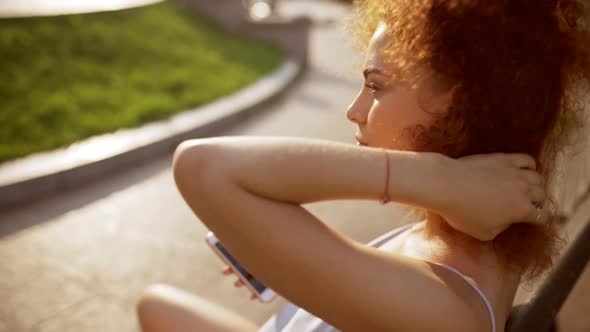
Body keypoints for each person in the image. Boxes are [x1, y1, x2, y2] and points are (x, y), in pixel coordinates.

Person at [135, 0, 589, 331]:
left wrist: (441, 179)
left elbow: (203, 166)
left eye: (376, 86)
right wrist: (282, 265)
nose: (354, 110)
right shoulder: (453, 238)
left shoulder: (443, 309)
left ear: (462, 108)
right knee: (155, 306)